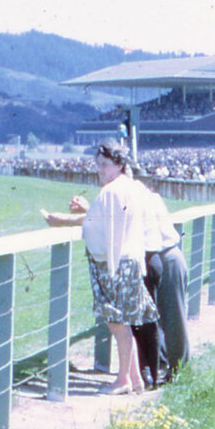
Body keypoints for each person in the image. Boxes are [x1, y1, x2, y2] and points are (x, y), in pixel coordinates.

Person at [41, 143, 156, 395]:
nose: (100, 170)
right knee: (122, 322)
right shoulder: (129, 188)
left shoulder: (112, 191)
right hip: (128, 260)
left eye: (105, 165)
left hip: (114, 263)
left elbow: (97, 222)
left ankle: (123, 379)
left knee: (118, 323)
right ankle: (134, 379)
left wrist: (59, 220)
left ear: (119, 165)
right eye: (98, 164)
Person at [136, 176, 188, 386]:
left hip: (167, 257)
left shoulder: (147, 199)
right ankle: (167, 367)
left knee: (173, 318)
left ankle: (179, 371)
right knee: (156, 319)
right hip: (155, 259)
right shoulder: (144, 198)